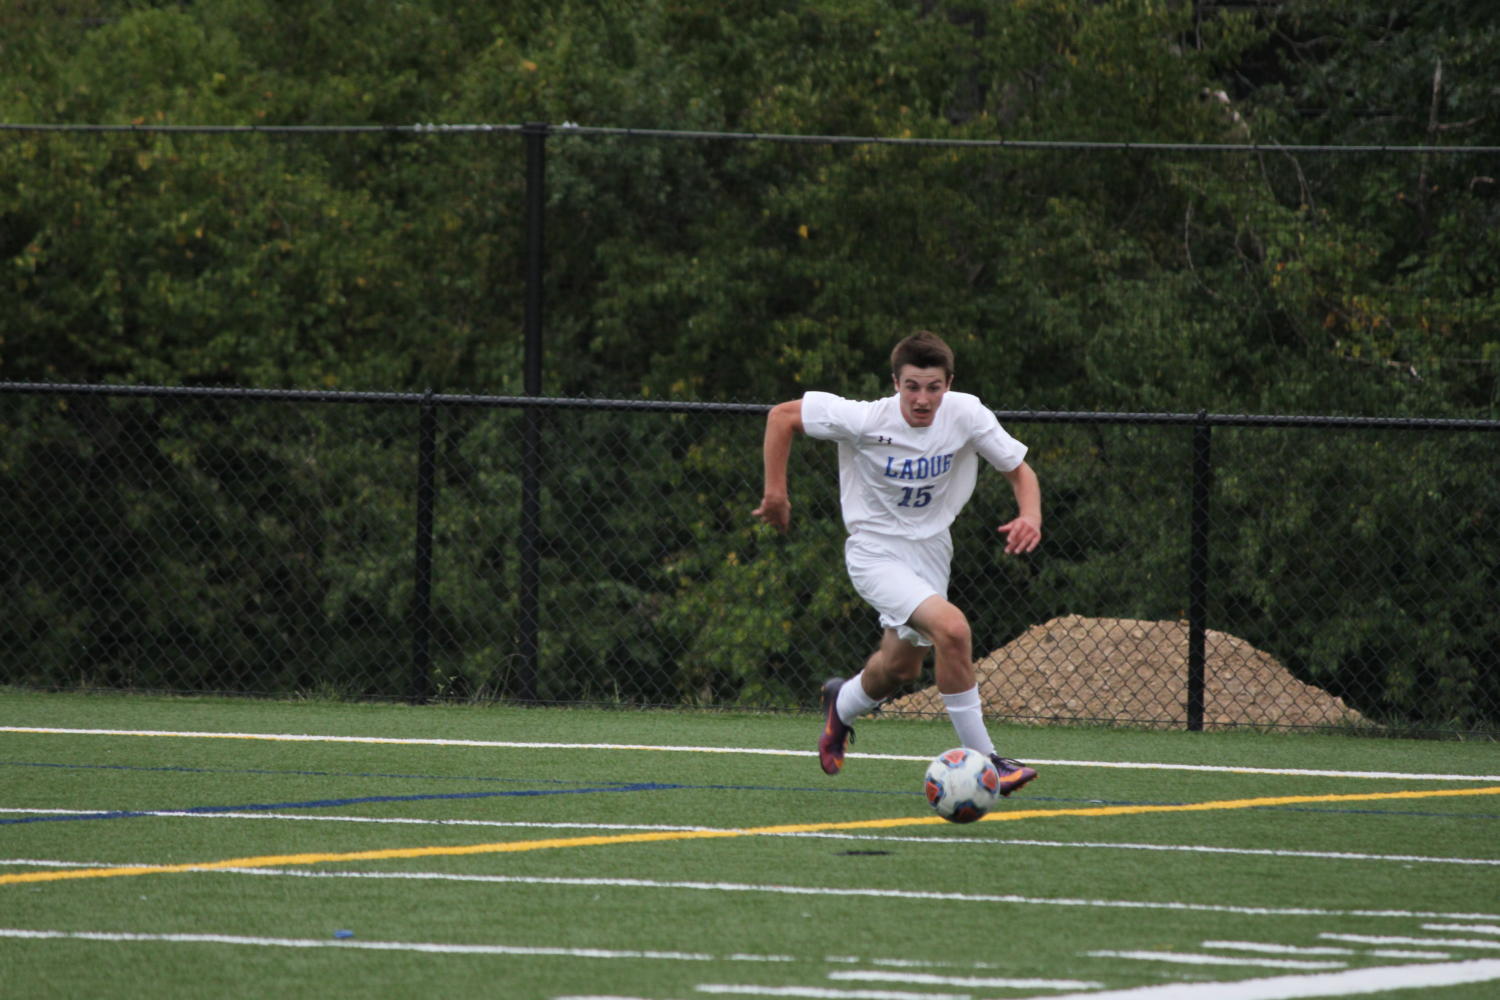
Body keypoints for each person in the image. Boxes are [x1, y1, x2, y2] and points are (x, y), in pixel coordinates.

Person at [752, 330, 1041, 795]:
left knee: (900, 669)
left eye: (933, 387)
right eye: (912, 386)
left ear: (949, 384)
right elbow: (782, 416)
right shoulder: (865, 419)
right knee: (953, 629)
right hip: (874, 551)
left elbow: (1019, 470)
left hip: (931, 551)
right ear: (895, 383)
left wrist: (1030, 514)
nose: (922, 399)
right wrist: (776, 493)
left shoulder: (966, 413)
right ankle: (988, 761)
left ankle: (840, 705)